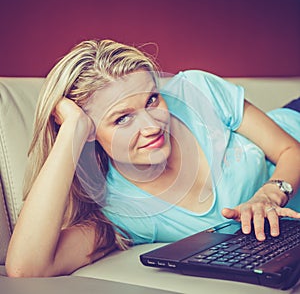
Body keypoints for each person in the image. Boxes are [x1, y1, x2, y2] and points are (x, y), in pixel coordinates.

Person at [6, 39, 300, 277]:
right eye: (122, 119)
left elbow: (291, 151)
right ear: (90, 132)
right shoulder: (119, 212)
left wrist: (269, 196)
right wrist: (70, 128)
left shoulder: (196, 90)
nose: (152, 125)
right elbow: (26, 268)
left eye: (151, 99)